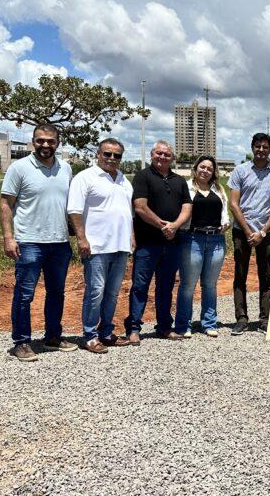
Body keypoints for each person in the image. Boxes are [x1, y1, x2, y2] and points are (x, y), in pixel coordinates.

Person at [0, 123, 76, 361]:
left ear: (58, 142)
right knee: (24, 295)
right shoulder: (19, 168)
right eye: (40, 140)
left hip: (60, 243)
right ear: (33, 141)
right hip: (29, 242)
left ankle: (53, 336)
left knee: (57, 292)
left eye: (50, 141)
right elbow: (5, 204)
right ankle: (21, 342)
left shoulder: (66, 168)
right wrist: (8, 238)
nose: (45, 145)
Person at [67, 137, 133, 354]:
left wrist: (131, 236)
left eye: (117, 155)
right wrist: (81, 238)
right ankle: (89, 335)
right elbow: (74, 210)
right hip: (96, 247)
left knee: (113, 293)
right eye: (107, 154)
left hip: (120, 246)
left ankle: (106, 332)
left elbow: (127, 212)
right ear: (98, 154)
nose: (112, 159)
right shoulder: (85, 178)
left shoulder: (124, 180)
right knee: (95, 291)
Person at [125, 140, 192, 343]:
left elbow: (187, 207)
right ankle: (134, 328)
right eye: (159, 153)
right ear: (152, 155)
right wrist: (163, 226)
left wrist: (175, 226)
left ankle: (164, 326)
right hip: (148, 243)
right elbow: (140, 207)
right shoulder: (142, 177)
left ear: (172, 158)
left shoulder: (179, 181)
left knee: (166, 286)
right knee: (140, 286)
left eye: (167, 154)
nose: (162, 157)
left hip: (172, 244)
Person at [228, 132, 270, 334]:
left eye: (265, 147)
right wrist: (248, 231)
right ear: (252, 148)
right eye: (258, 146)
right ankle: (241, 318)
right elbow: (233, 204)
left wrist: (262, 231)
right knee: (240, 274)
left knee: (266, 275)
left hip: (266, 232)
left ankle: (264, 319)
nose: (261, 150)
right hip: (241, 231)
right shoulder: (240, 171)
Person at [175, 155, 230, 338]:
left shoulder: (219, 189)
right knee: (188, 285)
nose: (205, 171)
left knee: (210, 284)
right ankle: (183, 324)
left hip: (216, 240)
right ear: (196, 168)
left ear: (214, 172)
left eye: (209, 168)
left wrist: (226, 223)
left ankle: (209, 323)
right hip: (192, 239)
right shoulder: (187, 188)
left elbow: (225, 214)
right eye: (202, 167)